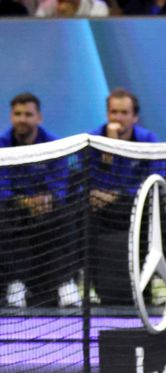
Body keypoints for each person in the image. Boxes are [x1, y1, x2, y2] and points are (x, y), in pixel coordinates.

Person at [0, 92, 79, 308]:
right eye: (18, 114)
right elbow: (2, 186)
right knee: (3, 215)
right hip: (15, 209)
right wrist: (24, 202)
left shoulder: (54, 145)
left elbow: (60, 184)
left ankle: (66, 284)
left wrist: (47, 199)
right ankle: (15, 284)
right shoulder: (2, 145)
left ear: (39, 118)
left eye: (28, 114)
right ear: (11, 117)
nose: (22, 119)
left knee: (67, 215)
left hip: (48, 209)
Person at [87, 87, 159, 305]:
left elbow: (157, 179)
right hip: (100, 208)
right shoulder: (93, 139)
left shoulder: (148, 140)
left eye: (124, 112)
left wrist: (118, 195)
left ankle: (152, 283)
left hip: (137, 206)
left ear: (134, 116)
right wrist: (109, 147)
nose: (118, 118)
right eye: (113, 112)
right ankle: (85, 285)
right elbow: (87, 180)